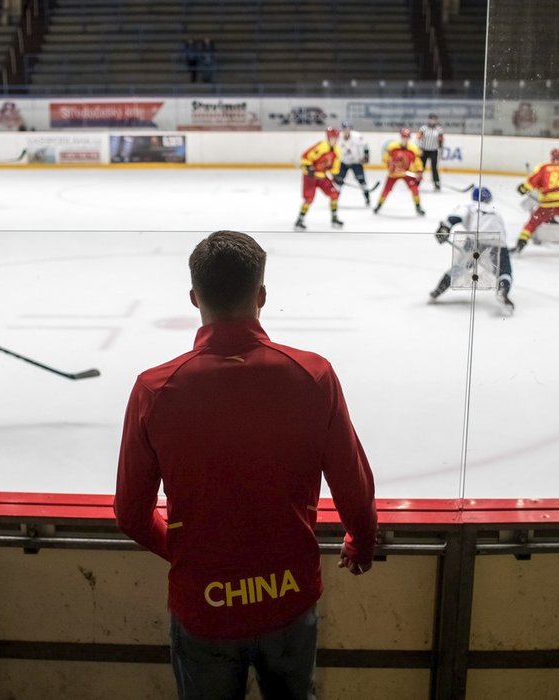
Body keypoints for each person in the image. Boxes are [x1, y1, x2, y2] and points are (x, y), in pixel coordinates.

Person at [115, 230, 377, 700]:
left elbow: (131, 513)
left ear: (195, 298)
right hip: (291, 595)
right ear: (261, 296)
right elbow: (353, 488)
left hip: (204, 604)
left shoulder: (155, 389)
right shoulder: (312, 375)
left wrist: (190, 556)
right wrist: (360, 543)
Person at [429, 186, 515, 315]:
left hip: (476, 240)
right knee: (504, 270)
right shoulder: (495, 212)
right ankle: (503, 291)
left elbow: (455, 217)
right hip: (498, 241)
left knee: (460, 267)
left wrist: (445, 229)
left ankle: (437, 291)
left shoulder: (469, 206)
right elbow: (503, 231)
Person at [294, 126, 343, 231]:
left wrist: (336, 176)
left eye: (336, 138)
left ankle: (334, 218)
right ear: (328, 137)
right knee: (309, 199)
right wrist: (308, 167)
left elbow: (334, 166)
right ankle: (300, 220)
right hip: (310, 177)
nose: (334, 140)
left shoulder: (336, 151)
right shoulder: (321, 147)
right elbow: (305, 156)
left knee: (334, 194)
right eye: (332, 137)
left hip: (322, 177)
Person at [373, 127, 425, 216]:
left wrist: (419, 171)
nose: (405, 139)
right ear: (400, 137)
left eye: (407, 137)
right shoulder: (392, 147)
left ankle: (418, 206)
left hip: (407, 173)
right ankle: (379, 205)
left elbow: (417, 162)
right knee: (386, 190)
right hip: (394, 173)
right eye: (403, 136)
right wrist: (390, 166)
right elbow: (385, 159)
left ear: (409, 138)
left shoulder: (413, 148)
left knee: (415, 189)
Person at [333, 120, 372, 206]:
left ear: (350, 129)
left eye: (348, 128)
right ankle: (334, 200)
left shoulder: (357, 137)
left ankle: (367, 199)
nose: (346, 130)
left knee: (362, 181)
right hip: (343, 162)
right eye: (344, 129)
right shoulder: (338, 137)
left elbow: (366, 146)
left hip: (356, 162)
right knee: (338, 182)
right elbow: (333, 150)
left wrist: (366, 157)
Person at [417, 113, 444, 191]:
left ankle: (436, 183)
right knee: (421, 167)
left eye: (434, 119)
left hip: (433, 150)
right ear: (428, 120)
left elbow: (441, 141)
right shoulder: (423, 128)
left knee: (434, 167)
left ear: (436, 121)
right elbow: (419, 139)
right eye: (431, 119)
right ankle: (417, 183)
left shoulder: (439, 129)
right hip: (424, 150)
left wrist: (440, 150)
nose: (432, 121)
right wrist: (420, 149)